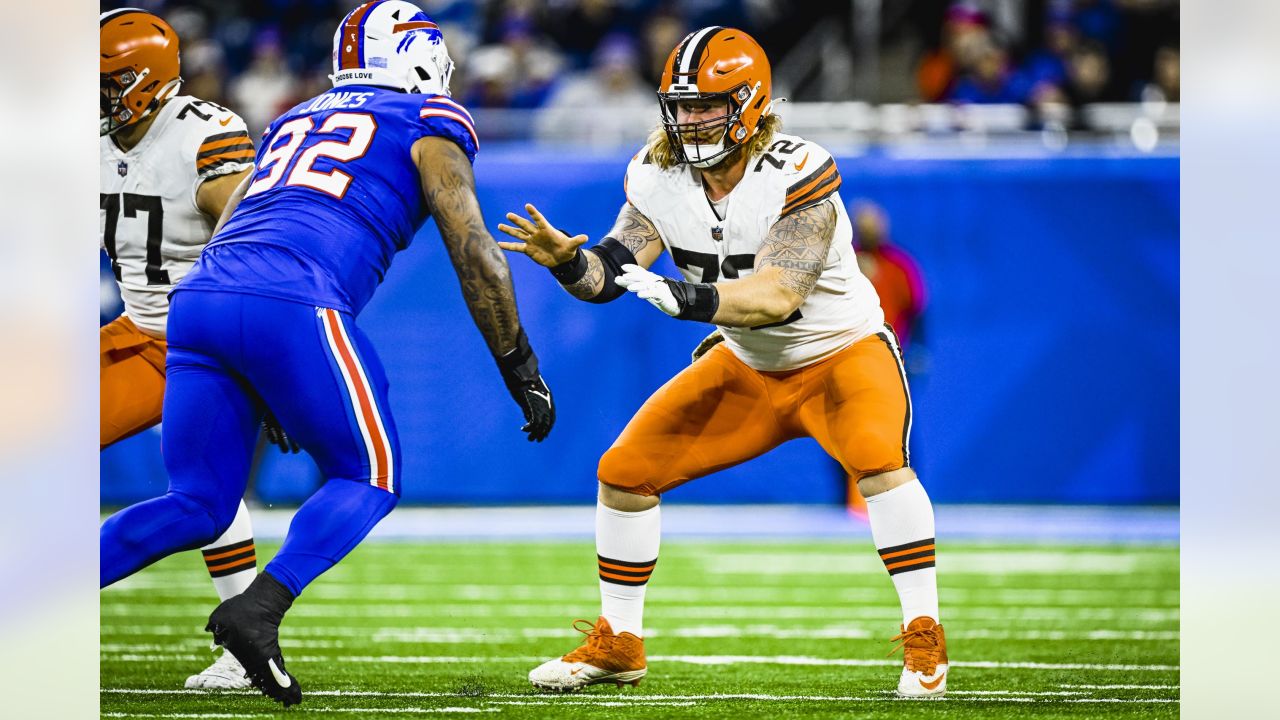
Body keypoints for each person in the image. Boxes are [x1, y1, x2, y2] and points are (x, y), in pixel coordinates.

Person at [100, 1, 555, 706]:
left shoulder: (293, 117)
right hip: (292, 297)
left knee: (196, 502)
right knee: (370, 477)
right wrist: (519, 364)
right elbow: (476, 252)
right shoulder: (430, 118)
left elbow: (243, 212)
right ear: (418, 55)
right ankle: (259, 607)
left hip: (199, 299)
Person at [500, 27, 947, 698]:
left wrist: (687, 298)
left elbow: (776, 296)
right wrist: (569, 263)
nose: (690, 119)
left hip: (839, 354)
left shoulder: (798, 173)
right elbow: (608, 274)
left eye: (707, 105)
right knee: (625, 473)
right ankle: (620, 644)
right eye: (681, 105)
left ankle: (925, 642)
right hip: (748, 366)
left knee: (880, 467)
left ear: (750, 102)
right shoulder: (657, 175)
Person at [99, 8, 299, 690]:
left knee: (204, 495)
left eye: (108, 81)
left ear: (147, 80)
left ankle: (243, 644)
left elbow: (254, 249)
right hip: (136, 333)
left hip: (203, 344)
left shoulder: (204, 135)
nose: (96, 95)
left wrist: (265, 363)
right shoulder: (88, 141)